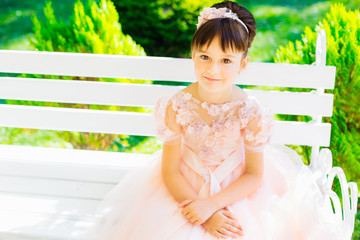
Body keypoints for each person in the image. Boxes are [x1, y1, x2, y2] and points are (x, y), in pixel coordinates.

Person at [83, 1, 344, 239]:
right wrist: (202, 211)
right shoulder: (178, 105)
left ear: (242, 64)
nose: (213, 69)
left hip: (237, 189)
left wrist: (211, 206)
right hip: (185, 187)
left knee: (238, 232)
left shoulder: (250, 112)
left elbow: (254, 175)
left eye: (226, 60)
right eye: (205, 56)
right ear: (193, 54)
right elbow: (170, 171)